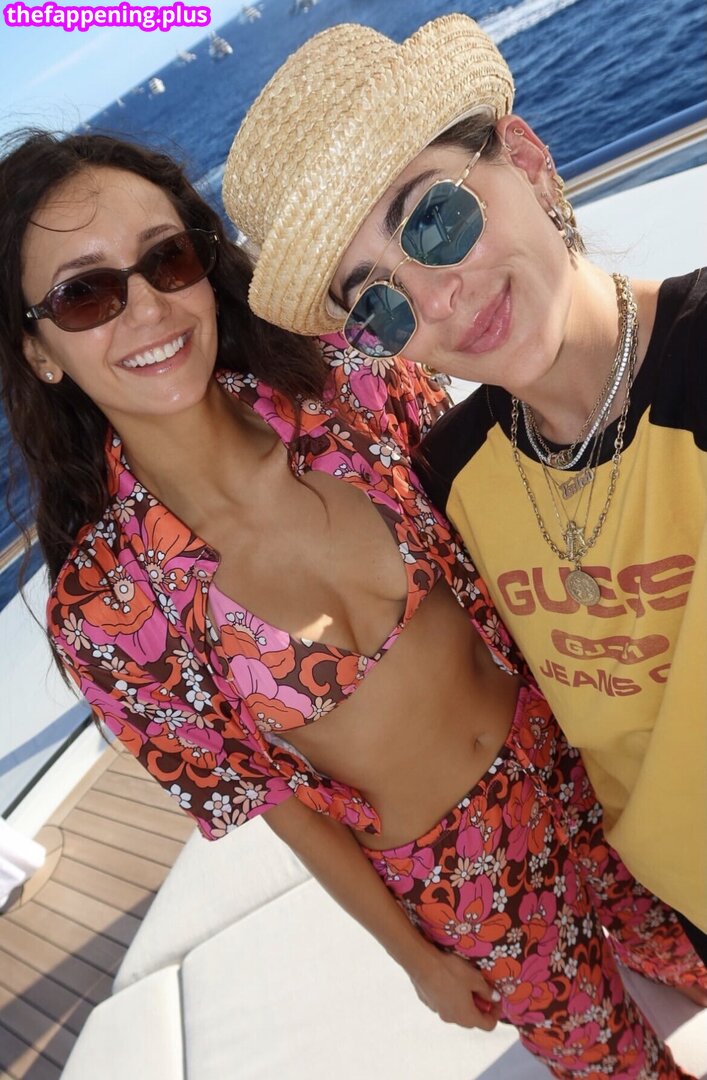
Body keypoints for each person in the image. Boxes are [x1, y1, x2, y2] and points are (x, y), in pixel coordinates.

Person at [1, 126, 701, 1080]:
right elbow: (273, 799)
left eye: (166, 260)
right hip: (465, 874)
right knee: (616, 1069)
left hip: (583, 759)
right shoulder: (107, 610)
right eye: (85, 293)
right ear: (38, 350)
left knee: (690, 952)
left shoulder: (345, 383)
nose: (150, 308)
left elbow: (510, 511)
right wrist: (412, 957)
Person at [221, 13, 707, 967]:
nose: (435, 298)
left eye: (433, 219)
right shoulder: (453, 476)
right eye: (378, 302)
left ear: (526, 160)